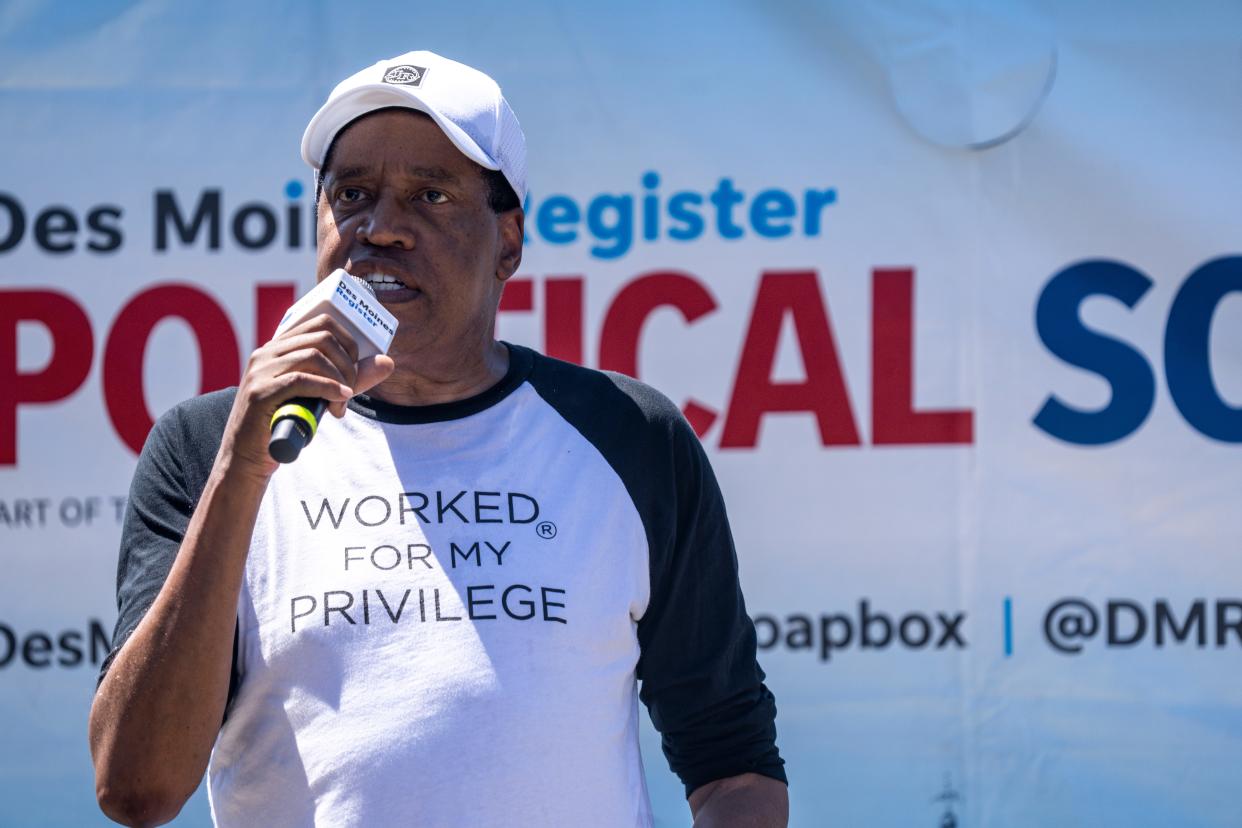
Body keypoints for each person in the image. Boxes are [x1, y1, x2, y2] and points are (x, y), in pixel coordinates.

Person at [89, 50, 787, 827]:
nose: (381, 228)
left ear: (509, 243)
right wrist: (241, 470)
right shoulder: (211, 446)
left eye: (430, 195)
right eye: (351, 193)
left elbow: (733, 769)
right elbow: (137, 790)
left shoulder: (632, 436)